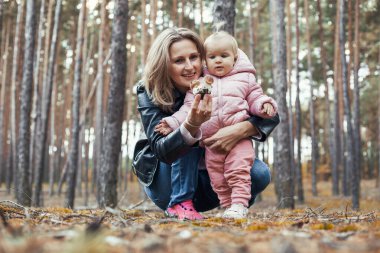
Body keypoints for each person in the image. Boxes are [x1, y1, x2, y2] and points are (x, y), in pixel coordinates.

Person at [133, 27, 279, 221]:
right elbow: (162, 149)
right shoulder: (148, 90)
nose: (190, 67)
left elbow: (266, 110)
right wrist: (190, 125)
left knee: (259, 173)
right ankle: (179, 203)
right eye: (178, 60)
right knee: (189, 134)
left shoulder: (216, 77)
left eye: (194, 57)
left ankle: (233, 207)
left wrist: (240, 129)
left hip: (208, 169)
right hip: (166, 179)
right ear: (164, 64)